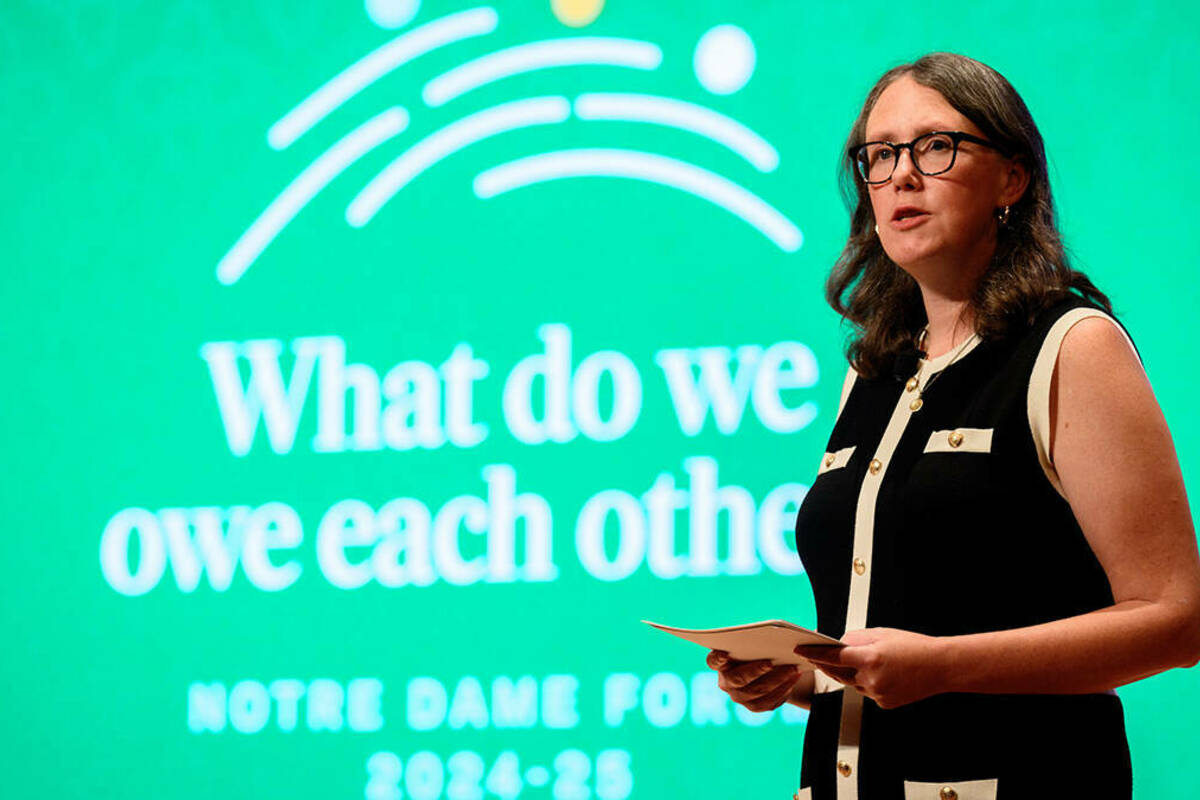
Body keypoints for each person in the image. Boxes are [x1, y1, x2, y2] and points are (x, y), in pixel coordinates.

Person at [705, 52, 1200, 800]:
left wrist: (942, 666)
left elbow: (1176, 619)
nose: (901, 175)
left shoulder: (1071, 345)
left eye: (935, 146)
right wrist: (807, 673)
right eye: (878, 156)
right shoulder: (872, 371)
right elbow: (899, 630)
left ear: (1011, 177)